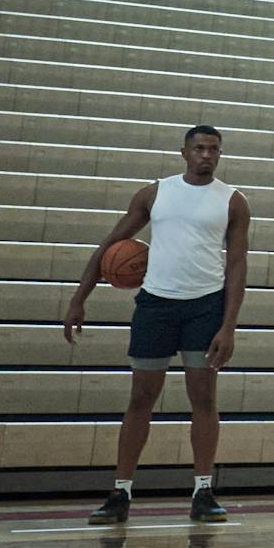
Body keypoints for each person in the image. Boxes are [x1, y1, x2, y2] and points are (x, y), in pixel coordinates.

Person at [66, 125, 248, 525]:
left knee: (203, 399)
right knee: (140, 399)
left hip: (206, 306)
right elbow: (109, 246)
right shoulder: (154, 193)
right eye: (199, 148)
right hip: (156, 305)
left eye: (214, 149)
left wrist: (229, 325)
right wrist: (80, 297)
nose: (206, 155)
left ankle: (203, 491)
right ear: (183, 152)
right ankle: (121, 492)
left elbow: (237, 265)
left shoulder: (233, 202)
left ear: (220, 154)